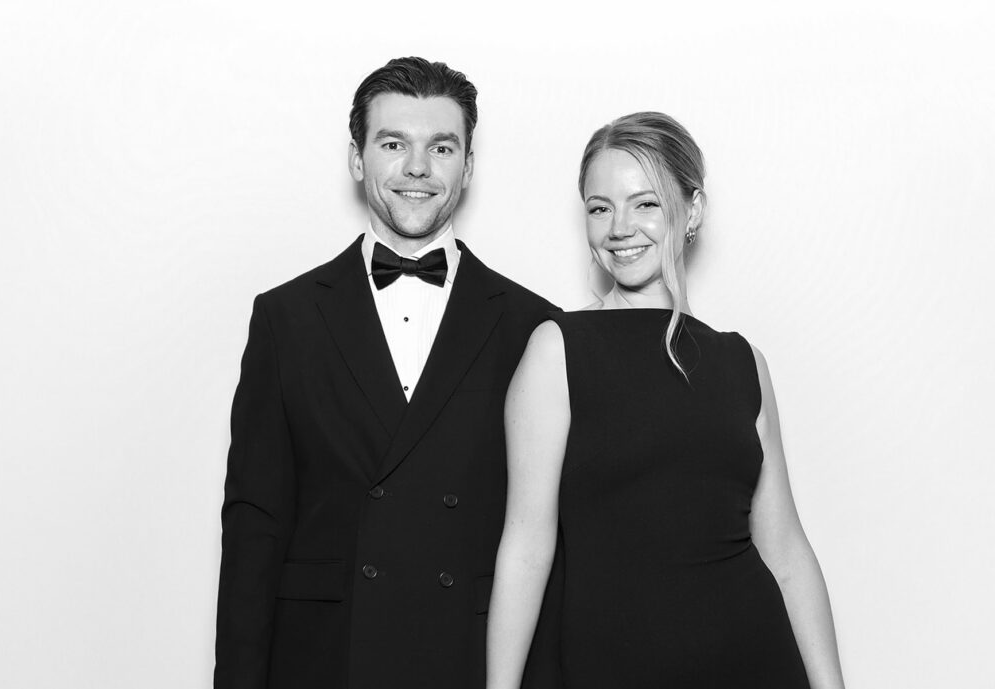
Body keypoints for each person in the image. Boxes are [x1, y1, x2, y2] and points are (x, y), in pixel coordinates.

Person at [214, 57, 560, 689]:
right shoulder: (285, 318)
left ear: (469, 165)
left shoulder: (535, 328)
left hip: (471, 659)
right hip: (324, 660)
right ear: (357, 159)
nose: (418, 168)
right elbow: (253, 531)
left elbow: (551, 541)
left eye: (442, 147)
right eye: (393, 143)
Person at [486, 112, 846, 688]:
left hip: (755, 662)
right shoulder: (558, 350)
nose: (619, 227)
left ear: (693, 210)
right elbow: (526, 546)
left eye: (645, 203)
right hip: (607, 667)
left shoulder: (741, 361)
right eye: (600, 207)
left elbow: (785, 550)